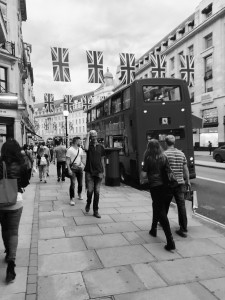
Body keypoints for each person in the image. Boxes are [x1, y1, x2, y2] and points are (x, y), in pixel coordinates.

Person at [0, 139, 29, 283]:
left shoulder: (0, 163)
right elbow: (25, 182)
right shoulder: (22, 163)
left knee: (4, 229)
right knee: (13, 231)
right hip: (15, 201)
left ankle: (7, 252)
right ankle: (11, 261)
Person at [141, 139, 175, 251]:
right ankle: (153, 228)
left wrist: (145, 172)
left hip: (155, 187)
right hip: (165, 187)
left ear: (149, 148)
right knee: (156, 206)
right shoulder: (164, 157)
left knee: (161, 212)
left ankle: (170, 241)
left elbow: (144, 175)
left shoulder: (148, 158)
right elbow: (169, 171)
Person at [165, 135, 190, 238]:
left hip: (169, 183)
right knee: (181, 206)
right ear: (174, 143)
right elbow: (186, 169)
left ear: (165, 143)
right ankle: (183, 228)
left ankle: (162, 222)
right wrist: (188, 181)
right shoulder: (181, 154)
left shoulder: (164, 154)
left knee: (165, 204)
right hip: (180, 183)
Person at [84, 130, 105, 218]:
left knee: (97, 192)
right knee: (90, 191)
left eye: (95, 136)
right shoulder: (89, 147)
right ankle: (88, 203)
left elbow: (102, 159)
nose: (94, 138)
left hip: (99, 171)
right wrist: (87, 135)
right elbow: (85, 148)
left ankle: (95, 210)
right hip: (89, 171)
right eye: (92, 136)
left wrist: (104, 172)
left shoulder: (101, 147)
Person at [66, 137, 85, 206]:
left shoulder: (80, 149)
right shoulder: (70, 150)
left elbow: (82, 159)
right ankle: (72, 198)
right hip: (73, 168)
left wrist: (85, 166)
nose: (81, 142)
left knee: (80, 184)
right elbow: (67, 160)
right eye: (79, 141)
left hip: (80, 168)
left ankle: (79, 193)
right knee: (73, 184)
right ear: (75, 141)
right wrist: (69, 169)